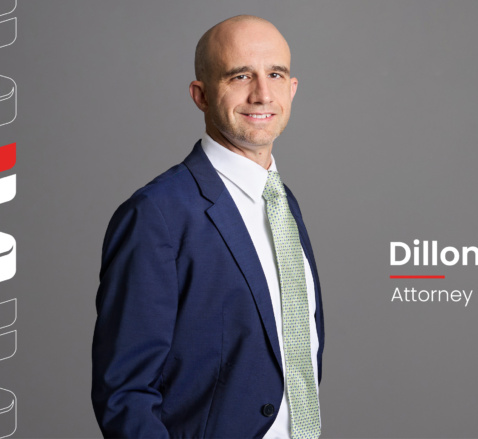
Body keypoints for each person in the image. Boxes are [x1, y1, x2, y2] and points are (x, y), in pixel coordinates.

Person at [91, 15, 324, 439]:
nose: (262, 93)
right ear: (201, 95)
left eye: (275, 74)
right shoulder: (156, 214)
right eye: (240, 76)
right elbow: (125, 394)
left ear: (292, 90)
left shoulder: (285, 204)